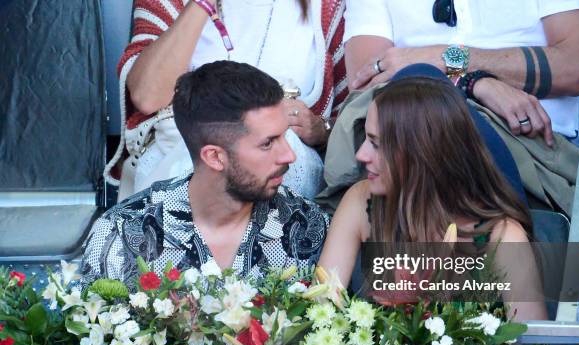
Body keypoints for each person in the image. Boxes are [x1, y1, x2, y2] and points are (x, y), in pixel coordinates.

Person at [81, 61, 330, 289]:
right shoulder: (121, 235)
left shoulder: (309, 227)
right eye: (268, 143)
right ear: (214, 157)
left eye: (284, 136)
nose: (289, 155)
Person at [318, 77, 548, 321]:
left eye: (376, 144)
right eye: (366, 139)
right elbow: (321, 312)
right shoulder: (361, 201)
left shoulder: (502, 236)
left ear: (422, 153)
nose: (361, 154)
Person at [104, 0, 347, 201]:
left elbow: (356, 121)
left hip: (286, 176)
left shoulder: (328, 7)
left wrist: (322, 128)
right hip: (182, 165)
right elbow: (147, 96)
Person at [344, 0, 579, 146]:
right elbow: (366, 86)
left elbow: (573, 67)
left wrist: (450, 58)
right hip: (410, 144)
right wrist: (471, 81)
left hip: (528, 145)